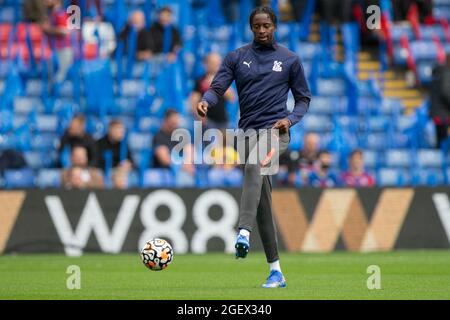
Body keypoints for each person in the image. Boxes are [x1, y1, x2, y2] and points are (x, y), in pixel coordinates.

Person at [196, 6, 311, 288]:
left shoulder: (289, 60)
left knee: (255, 164)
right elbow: (217, 86)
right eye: (257, 26)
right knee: (262, 203)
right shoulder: (237, 57)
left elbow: (304, 99)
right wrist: (206, 101)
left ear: (274, 26)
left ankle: (243, 232)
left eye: (266, 26)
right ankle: (276, 271)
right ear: (251, 28)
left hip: (276, 133)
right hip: (247, 135)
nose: (262, 30)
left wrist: (290, 119)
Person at [190, 52, 235, 129]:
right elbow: (193, 103)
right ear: (206, 64)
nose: (215, 66)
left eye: (217, 63)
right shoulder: (200, 81)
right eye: (213, 63)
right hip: (207, 123)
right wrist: (202, 118)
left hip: (223, 122)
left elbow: (231, 98)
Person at [152, 109, 195, 175]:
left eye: (176, 120)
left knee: (189, 147)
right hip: (163, 170)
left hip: (183, 167)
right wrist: (180, 166)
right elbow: (163, 157)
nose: (175, 123)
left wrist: (187, 163)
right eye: (173, 121)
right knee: (162, 150)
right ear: (166, 120)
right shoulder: (158, 136)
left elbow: (190, 149)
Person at [41, 0, 74, 84]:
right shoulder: (51, 13)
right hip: (55, 50)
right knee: (52, 77)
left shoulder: (60, 13)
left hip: (63, 50)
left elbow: (65, 31)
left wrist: (48, 29)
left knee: (59, 78)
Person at [430, 53, 450, 148]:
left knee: (440, 140)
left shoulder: (438, 72)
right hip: (444, 113)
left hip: (437, 112)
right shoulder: (446, 73)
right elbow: (446, 92)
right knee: (443, 141)